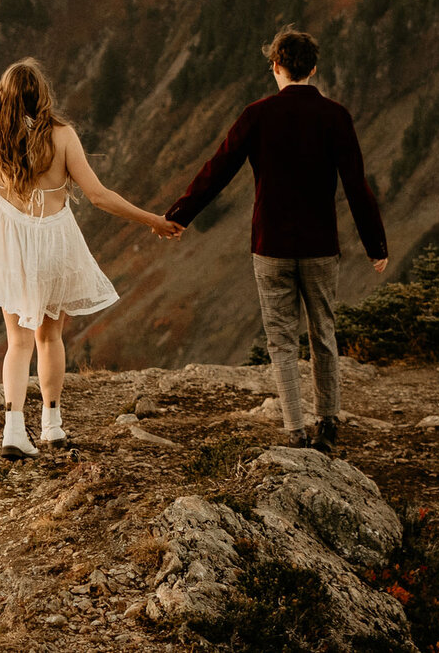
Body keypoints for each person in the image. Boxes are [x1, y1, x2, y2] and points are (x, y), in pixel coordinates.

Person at [0, 58, 182, 458]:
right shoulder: (63, 137)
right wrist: (153, 220)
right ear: (41, 96)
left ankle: (13, 430)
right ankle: (52, 425)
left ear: (3, 97)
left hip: (13, 247)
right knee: (50, 336)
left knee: (18, 342)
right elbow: (99, 195)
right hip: (56, 243)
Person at [164, 25, 386, 450]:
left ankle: (295, 429)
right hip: (321, 245)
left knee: (282, 339)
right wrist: (376, 245)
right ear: (313, 68)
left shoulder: (258, 114)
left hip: (271, 246)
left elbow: (218, 169)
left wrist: (180, 215)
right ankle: (329, 423)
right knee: (324, 332)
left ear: (276, 66)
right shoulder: (335, 116)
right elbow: (357, 185)